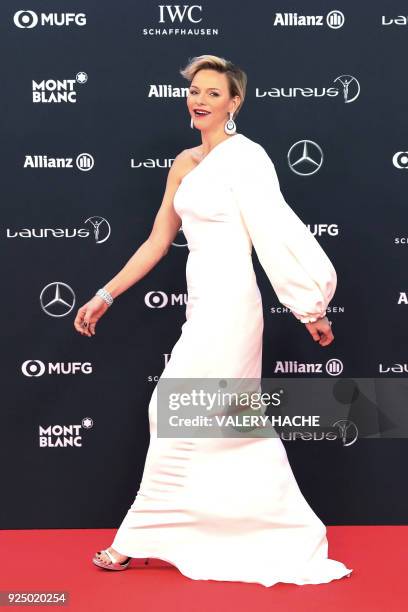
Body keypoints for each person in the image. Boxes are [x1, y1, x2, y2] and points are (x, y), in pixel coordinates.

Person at [74, 54, 353, 586]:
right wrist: (105, 294)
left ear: (234, 102)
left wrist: (308, 306)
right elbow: (158, 240)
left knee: (173, 408)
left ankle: (133, 539)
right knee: (222, 422)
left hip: (233, 306)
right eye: (194, 90)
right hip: (202, 304)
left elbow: (278, 233)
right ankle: (264, 525)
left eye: (212, 92)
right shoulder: (183, 163)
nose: (198, 99)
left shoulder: (249, 159)